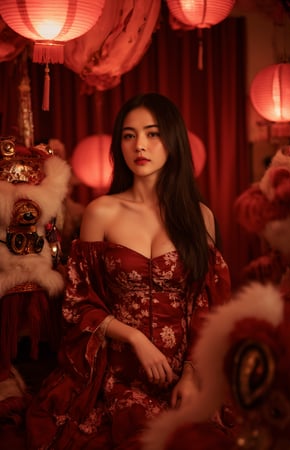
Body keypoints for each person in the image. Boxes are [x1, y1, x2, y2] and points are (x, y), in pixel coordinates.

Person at [26, 93, 231, 449]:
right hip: (117, 372)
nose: (140, 145)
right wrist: (136, 339)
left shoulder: (200, 217)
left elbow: (206, 309)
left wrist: (191, 374)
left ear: (174, 140)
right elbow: (78, 303)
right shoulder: (100, 212)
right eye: (129, 134)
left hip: (184, 372)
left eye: (152, 134)